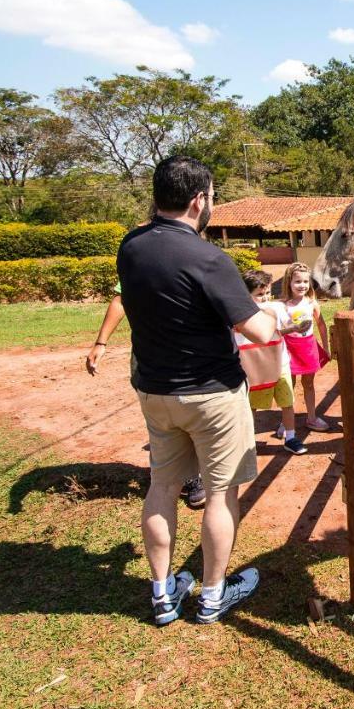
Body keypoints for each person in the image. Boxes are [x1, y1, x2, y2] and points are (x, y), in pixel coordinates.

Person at [118, 154, 282, 626]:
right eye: (211, 197)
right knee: (220, 491)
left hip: (155, 393)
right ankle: (213, 595)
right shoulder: (209, 258)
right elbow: (259, 332)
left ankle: (162, 592)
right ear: (198, 200)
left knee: (162, 488)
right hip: (211, 395)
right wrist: (269, 312)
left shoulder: (131, 247)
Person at [85, 284, 206, 510]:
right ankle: (189, 477)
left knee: (193, 413)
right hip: (150, 359)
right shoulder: (141, 259)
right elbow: (122, 299)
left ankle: (195, 474)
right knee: (166, 418)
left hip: (192, 355)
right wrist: (101, 343)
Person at [237, 269, 308, 455]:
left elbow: (278, 331)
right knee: (251, 405)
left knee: (287, 402)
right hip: (255, 368)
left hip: (280, 364)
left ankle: (290, 437)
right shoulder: (241, 314)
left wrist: (295, 327)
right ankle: (248, 441)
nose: (265, 297)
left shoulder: (275, 308)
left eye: (268, 292)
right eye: (260, 294)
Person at [279, 262, 331, 432]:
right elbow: (277, 330)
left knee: (308, 384)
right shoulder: (282, 305)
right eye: (297, 281)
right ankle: (286, 421)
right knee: (289, 385)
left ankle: (311, 417)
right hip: (289, 350)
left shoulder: (312, 303)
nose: (302, 285)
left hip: (307, 348)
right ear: (289, 282)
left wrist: (326, 348)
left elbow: (321, 326)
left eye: (305, 282)